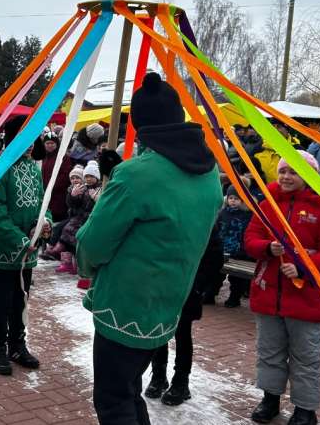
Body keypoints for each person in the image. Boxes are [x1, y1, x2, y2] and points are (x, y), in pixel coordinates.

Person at [76, 73, 223, 425]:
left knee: (114, 401)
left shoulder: (137, 174)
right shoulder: (209, 172)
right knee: (128, 392)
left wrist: (85, 265)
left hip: (125, 306)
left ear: (140, 126)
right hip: (167, 303)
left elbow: (93, 242)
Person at [244, 150, 320, 425]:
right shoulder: (267, 203)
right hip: (268, 294)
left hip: (304, 297)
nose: (287, 177)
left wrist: (302, 266)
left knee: (305, 355)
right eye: (283, 171)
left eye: (294, 172)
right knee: (269, 350)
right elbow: (250, 239)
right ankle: (270, 398)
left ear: (308, 176)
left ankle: (305, 409)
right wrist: (267, 248)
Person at [0, 115, 51, 376]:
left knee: (21, 298)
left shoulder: (34, 168)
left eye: (35, 138)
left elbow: (42, 204)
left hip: (28, 251)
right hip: (5, 248)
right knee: (2, 300)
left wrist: (44, 224)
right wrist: (21, 240)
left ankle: (17, 344)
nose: (33, 144)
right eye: (27, 138)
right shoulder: (0, 168)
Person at [144, 216, 223, 407]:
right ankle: (159, 375)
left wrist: (198, 285)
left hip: (187, 285)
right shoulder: (164, 212)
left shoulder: (203, 219)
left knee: (182, 333)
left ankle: (181, 380)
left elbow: (214, 256)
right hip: (161, 282)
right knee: (158, 330)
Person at [58, 160, 101, 275]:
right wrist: (73, 196)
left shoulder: (99, 189)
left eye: (91, 176)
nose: (88, 179)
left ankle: (81, 265)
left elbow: (101, 206)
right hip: (80, 217)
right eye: (86, 176)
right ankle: (68, 262)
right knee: (67, 230)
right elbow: (74, 204)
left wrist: (96, 200)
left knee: (80, 237)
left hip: (92, 218)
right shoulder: (83, 188)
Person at [216, 185, 254, 308]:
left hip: (239, 252)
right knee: (215, 273)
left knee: (236, 279)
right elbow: (217, 228)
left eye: (237, 198)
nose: (233, 201)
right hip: (222, 249)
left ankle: (234, 297)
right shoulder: (222, 212)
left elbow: (248, 235)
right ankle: (211, 292)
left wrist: (243, 250)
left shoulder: (247, 215)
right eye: (231, 198)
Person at [41, 164, 84, 261]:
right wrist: (72, 195)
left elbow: (80, 205)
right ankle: (51, 248)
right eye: (72, 178)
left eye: (78, 178)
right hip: (73, 216)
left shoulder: (84, 189)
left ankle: (56, 250)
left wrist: (75, 196)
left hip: (80, 216)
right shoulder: (70, 189)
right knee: (57, 227)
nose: (75, 180)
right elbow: (69, 204)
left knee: (66, 228)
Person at [38, 132, 72, 224]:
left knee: (57, 220)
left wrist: (51, 187)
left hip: (58, 196)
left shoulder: (63, 158)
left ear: (57, 144)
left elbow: (65, 176)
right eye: (47, 143)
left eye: (52, 143)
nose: (50, 145)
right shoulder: (41, 157)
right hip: (43, 194)